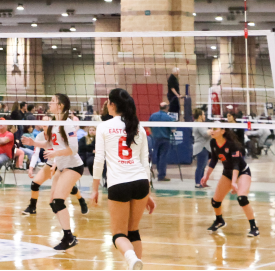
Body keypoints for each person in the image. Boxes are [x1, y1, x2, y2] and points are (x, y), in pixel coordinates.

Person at [90, 88, 156, 271]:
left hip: (119, 184)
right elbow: (145, 164)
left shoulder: (103, 126)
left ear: (112, 104)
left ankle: (132, 258)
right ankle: (134, 263)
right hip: (141, 183)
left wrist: (95, 188)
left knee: (118, 235)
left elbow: (98, 160)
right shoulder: (138, 127)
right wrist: (147, 193)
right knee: (133, 231)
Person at [22, 93, 86, 251]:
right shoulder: (53, 123)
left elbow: (74, 149)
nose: (49, 103)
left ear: (61, 105)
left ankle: (68, 237)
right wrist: (33, 142)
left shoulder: (67, 124)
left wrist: (55, 154)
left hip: (73, 166)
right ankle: (69, 236)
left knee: (58, 201)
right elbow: (49, 143)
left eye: (52, 101)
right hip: (62, 166)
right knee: (53, 203)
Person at [202, 127, 259, 237]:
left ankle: (254, 227)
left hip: (242, 172)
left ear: (223, 131)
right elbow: (213, 160)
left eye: (215, 129)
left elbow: (236, 165)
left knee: (242, 198)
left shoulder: (232, 145)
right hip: (227, 173)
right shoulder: (213, 142)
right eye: (210, 128)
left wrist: (234, 182)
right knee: (215, 201)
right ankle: (219, 220)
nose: (211, 131)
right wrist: (206, 176)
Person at [148, 102, 175, 181]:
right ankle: (161, 175)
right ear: (167, 108)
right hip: (165, 139)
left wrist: (153, 135)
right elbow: (173, 130)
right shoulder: (168, 117)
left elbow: (149, 127)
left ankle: (152, 174)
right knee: (163, 157)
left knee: (154, 156)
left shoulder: (153, 116)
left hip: (155, 139)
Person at [192, 108, 211, 189]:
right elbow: (205, 134)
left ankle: (201, 182)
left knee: (203, 166)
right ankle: (197, 183)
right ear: (200, 116)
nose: (204, 116)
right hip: (201, 147)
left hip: (204, 147)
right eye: (203, 114)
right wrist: (214, 130)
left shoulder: (200, 124)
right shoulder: (199, 124)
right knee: (200, 166)